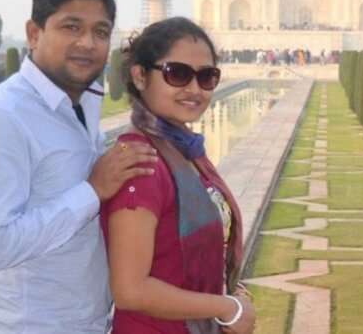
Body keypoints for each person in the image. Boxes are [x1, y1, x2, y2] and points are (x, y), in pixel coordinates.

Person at [0, 0, 158, 333]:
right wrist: (92, 191)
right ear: (34, 34)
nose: (88, 43)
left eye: (100, 32)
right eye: (71, 27)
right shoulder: (3, 117)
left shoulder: (81, 102)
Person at [102, 17, 255, 334]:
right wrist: (226, 306)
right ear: (140, 76)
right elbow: (129, 289)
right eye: (178, 74)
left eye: (207, 77)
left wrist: (226, 293)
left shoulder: (183, 150)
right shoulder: (140, 162)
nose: (195, 89)